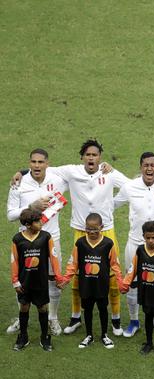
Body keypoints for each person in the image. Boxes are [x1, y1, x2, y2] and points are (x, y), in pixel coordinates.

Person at [12, 140, 130, 336]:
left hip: (106, 230)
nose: (91, 158)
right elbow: (44, 169)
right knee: (77, 275)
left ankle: (116, 321)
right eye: (88, 155)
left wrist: (112, 205)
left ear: (100, 157)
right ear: (82, 157)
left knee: (110, 276)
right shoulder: (72, 171)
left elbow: (131, 186)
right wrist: (22, 172)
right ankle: (75, 318)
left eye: (95, 155)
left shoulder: (109, 172)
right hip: (80, 231)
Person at [113, 152, 154, 338]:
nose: (149, 169)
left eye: (153, 165)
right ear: (140, 167)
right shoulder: (129, 187)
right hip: (135, 243)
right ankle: (134, 321)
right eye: (145, 165)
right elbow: (112, 204)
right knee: (132, 283)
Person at [7, 148, 68, 336]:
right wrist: (31, 206)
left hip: (51, 239)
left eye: (41, 162)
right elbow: (10, 215)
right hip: (25, 241)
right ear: (28, 163)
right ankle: (21, 317)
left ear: (47, 164)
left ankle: (53, 318)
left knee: (52, 279)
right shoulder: (18, 184)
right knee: (23, 281)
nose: (37, 165)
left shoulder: (58, 179)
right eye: (33, 162)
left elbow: (82, 171)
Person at [60, 213, 123, 349]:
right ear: (85, 228)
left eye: (95, 229)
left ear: (102, 227)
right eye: (89, 229)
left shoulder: (108, 243)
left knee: (102, 309)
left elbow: (115, 265)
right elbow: (73, 263)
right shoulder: (80, 243)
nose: (92, 232)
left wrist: (120, 282)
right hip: (86, 284)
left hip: (101, 285)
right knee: (87, 309)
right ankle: (89, 335)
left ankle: (104, 335)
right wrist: (66, 279)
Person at [11, 208, 64, 351]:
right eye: (37, 221)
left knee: (42, 307)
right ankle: (23, 336)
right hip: (24, 282)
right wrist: (15, 281)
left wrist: (58, 277)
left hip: (40, 281)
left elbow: (54, 259)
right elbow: (14, 261)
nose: (41, 223)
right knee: (24, 307)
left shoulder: (46, 237)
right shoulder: (17, 239)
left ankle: (45, 337)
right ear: (28, 224)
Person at [121, 221, 154, 355]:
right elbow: (133, 269)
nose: (151, 240)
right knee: (148, 316)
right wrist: (126, 283)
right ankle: (149, 342)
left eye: (153, 237)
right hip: (145, 291)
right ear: (143, 237)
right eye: (148, 238)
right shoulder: (140, 250)